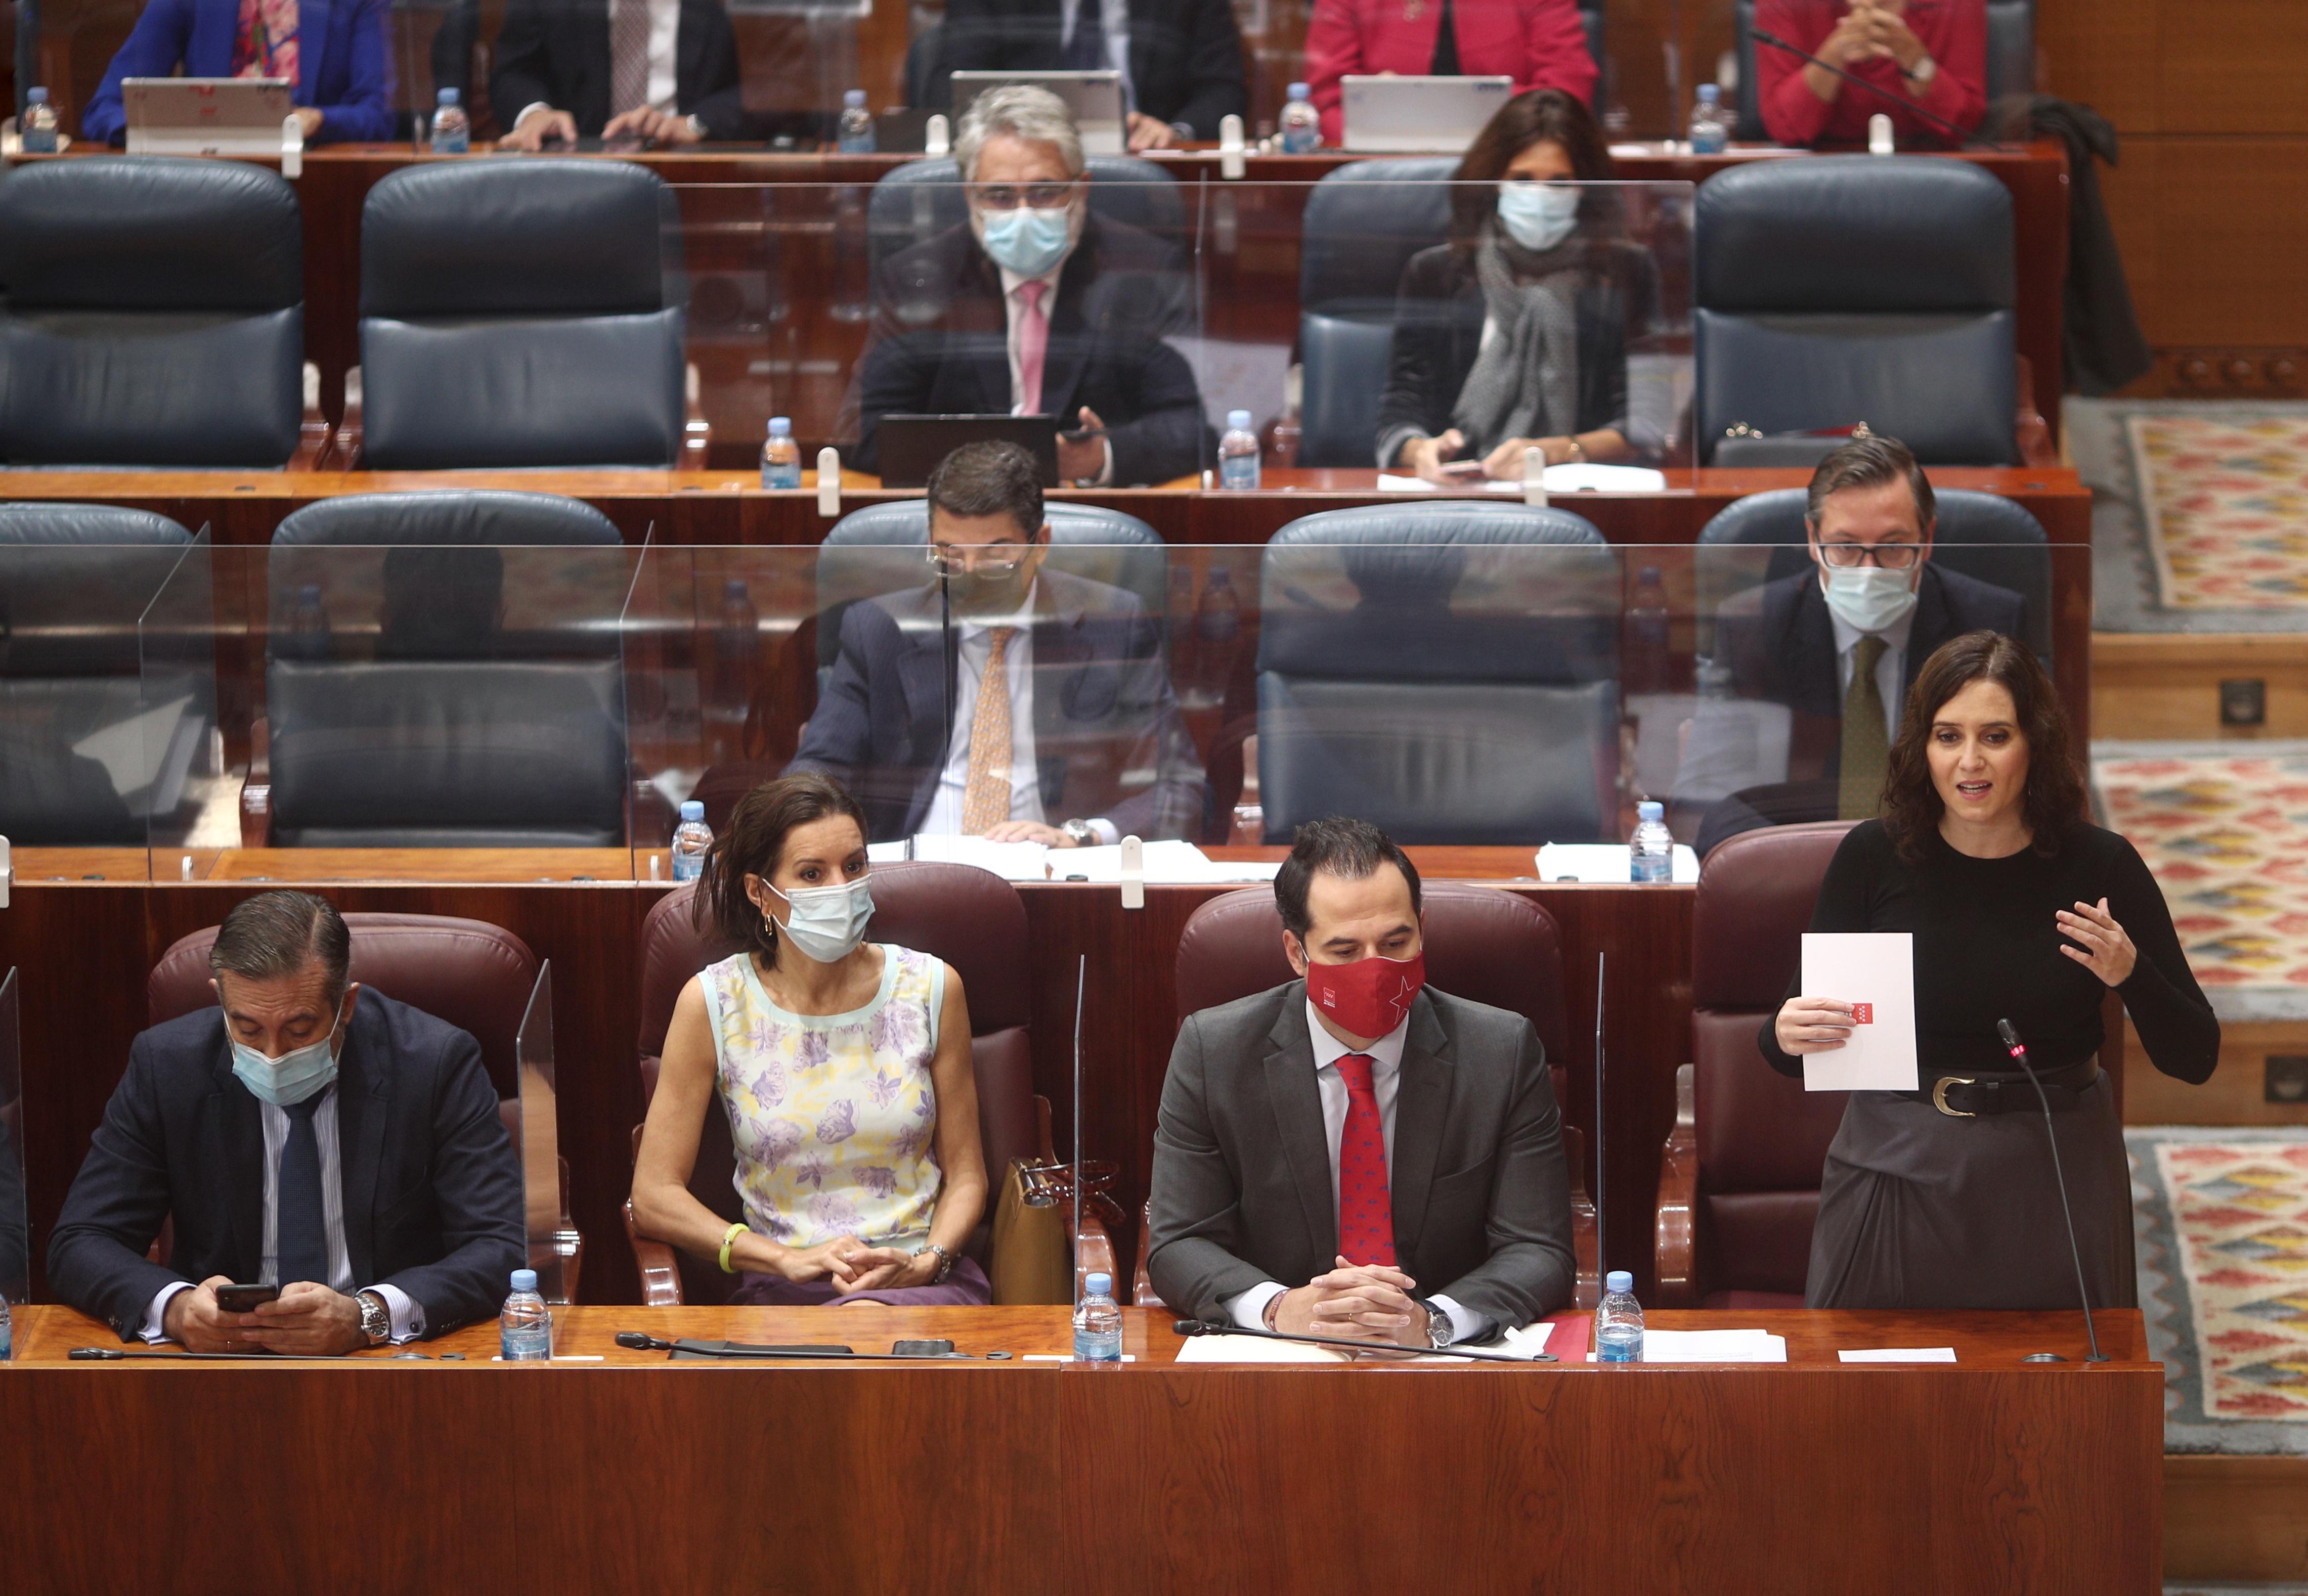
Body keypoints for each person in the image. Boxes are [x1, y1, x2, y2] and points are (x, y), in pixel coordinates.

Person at [1766, 632, 2217, 1309]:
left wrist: (2130, 974)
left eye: (1994, 736)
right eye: (1947, 736)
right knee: (1860, 1401)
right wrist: (1783, 1032)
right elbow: (1790, 1050)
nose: (1968, 762)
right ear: (1921, 746)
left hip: (2053, 1164)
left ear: (2032, 744)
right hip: (1896, 1160)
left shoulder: (2098, 867)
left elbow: (2195, 1057)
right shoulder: (1873, 858)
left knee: (2053, 1408)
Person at [1146, 816, 1577, 1347]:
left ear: (1422, 928)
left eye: (1397, 943)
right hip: (1279, 1357)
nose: (1375, 972)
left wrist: (1432, 1323)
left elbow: (1540, 1250)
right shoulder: (1213, 1052)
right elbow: (1179, 1241)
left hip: (1443, 1364)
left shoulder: (1501, 1052)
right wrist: (1281, 1308)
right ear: (1295, 953)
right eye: (1346, 952)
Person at [47, 892, 525, 1351]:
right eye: (248, 1029)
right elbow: (81, 1242)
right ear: (220, 1000)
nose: (273, 1055)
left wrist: (368, 1317)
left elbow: (501, 1245)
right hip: (220, 1363)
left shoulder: (434, 1063)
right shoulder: (167, 1066)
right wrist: (177, 1310)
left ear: (347, 1005)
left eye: (300, 1030)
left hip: (383, 1362)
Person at [630, 772, 995, 1304]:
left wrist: (926, 1262)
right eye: (811, 874)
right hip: (785, 1288)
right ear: (760, 892)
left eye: (854, 866)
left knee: (866, 1336)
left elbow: (968, 1178)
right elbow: (654, 1195)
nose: (841, 889)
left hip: (919, 1281)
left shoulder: (932, 988)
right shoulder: (714, 1002)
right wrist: (780, 1257)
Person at [790, 440, 1206, 846]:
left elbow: (1178, 787)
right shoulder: (881, 629)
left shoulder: (1112, 622)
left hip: (1054, 871)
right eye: (949, 554)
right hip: (915, 867)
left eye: (994, 555)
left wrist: (1081, 835)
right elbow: (820, 767)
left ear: (1039, 545)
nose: (968, 575)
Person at [849, 85, 1205, 487]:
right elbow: (867, 435)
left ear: (1081, 188)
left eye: (1044, 192)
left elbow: (1191, 428)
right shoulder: (918, 277)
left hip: (1096, 513)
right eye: (999, 196)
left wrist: (1098, 458)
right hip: (964, 516)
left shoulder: (1145, 268)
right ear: (970, 198)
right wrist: (994, 468)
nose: (1023, 214)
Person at [1696, 434, 2024, 854]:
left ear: (1926, 540)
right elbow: (1717, 794)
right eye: (1845, 547)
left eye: (1892, 547)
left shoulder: (1988, 623)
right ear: (1813, 540)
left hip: (1942, 858)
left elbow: (2023, 787)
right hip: (1800, 857)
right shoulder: (1753, 625)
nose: (1868, 570)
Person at [1376, 88, 1668, 481]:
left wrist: (1559, 451)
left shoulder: (1624, 271)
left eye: (1559, 183)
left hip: (1578, 491)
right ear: (1494, 180)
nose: (1539, 196)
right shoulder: (1437, 272)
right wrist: (1419, 450)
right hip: (1460, 490)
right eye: (1522, 179)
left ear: (1585, 188)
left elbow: (1646, 421)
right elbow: (1401, 409)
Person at [935, 0, 1249, 148]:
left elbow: (1223, 90)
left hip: (1148, 164)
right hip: (1021, 159)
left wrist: (1175, 133)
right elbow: (947, 89)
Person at [79, 0, 394, 147]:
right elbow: (105, 109)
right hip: (204, 185)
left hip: (316, 182)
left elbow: (377, 115)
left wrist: (320, 121)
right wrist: (164, 129)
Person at [1304, 0, 1598, 149]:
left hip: (1512, 165)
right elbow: (1326, 104)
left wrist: (1407, 109)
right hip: (1383, 172)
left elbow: (1566, 94)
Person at [490, 0, 744, 150]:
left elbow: (761, 88)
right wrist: (535, 113)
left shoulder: (716, 7)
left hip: (683, 162)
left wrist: (694, 123)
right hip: (574, 161)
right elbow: (515, 71)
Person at [1755, 0, 1986, 150]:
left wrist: (1913, 58)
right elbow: (1782, 126)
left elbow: (1965, 124)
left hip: (1931, 167)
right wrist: (1836, 52)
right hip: (1815, 169)